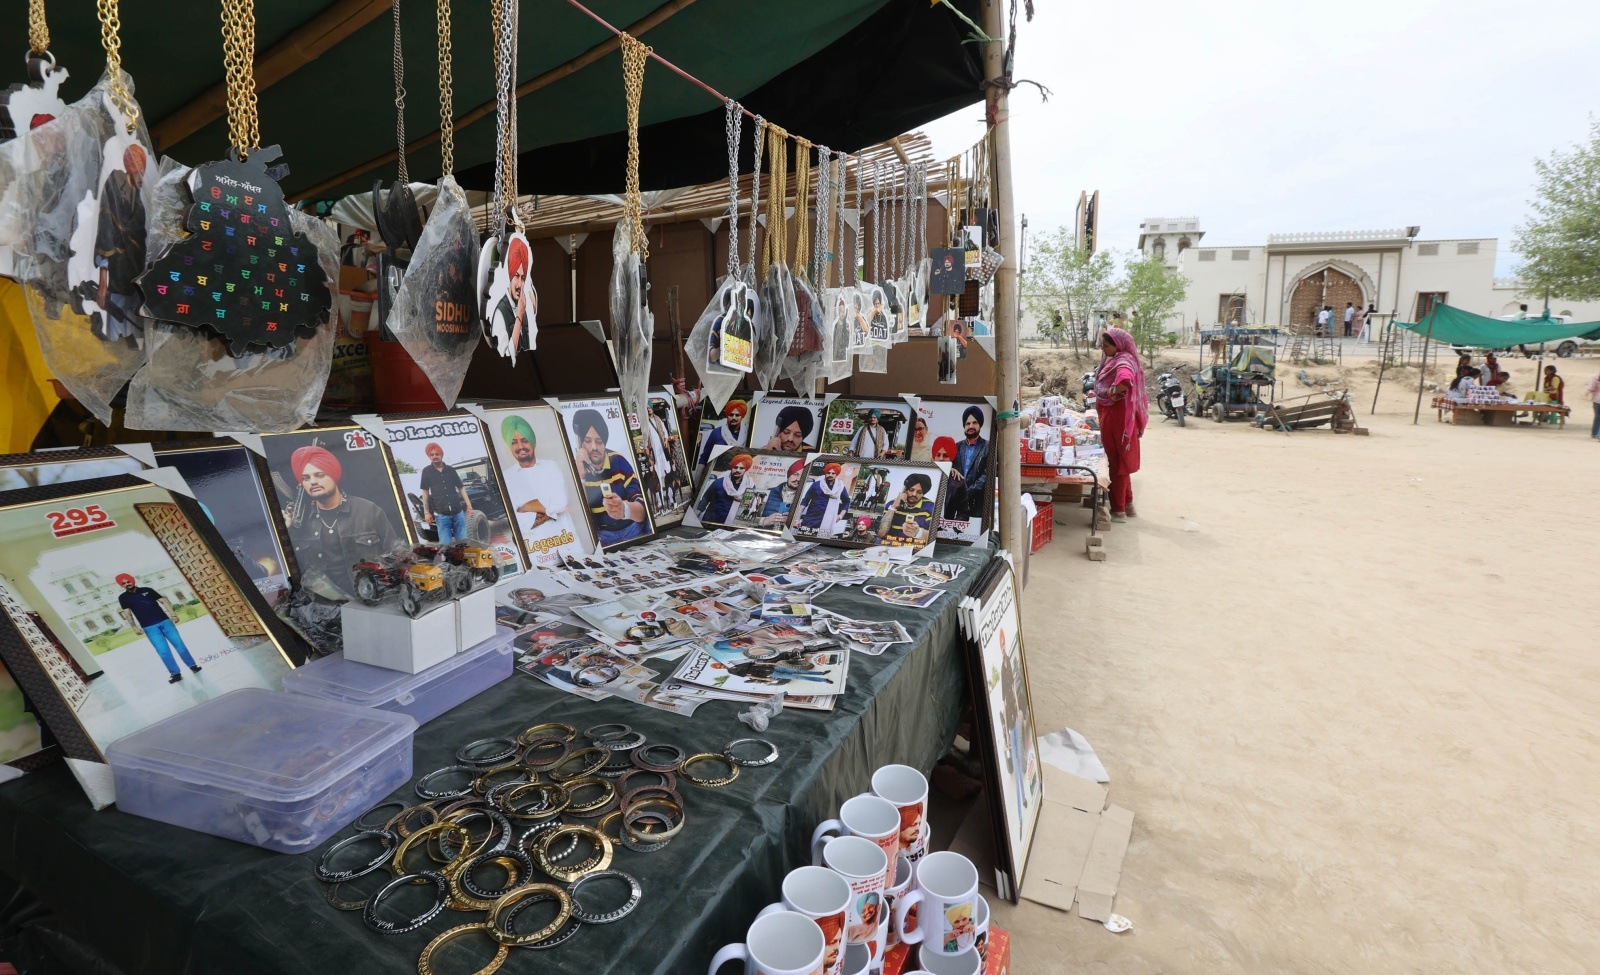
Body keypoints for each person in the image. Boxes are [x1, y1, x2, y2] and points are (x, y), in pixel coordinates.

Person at [283, 444, 402, 593]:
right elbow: (288, 571)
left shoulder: (368, 511)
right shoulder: (299, 521)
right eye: (306, 478)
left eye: (319, 475)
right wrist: (287, 531)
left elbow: (395, 557)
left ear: (333, 475)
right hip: (324, 603)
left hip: (370, 596)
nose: (312, 482)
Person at [497, 414, 577, 564]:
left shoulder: (551, 466)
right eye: (514, 442)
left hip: (565, 543)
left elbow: (561, 502)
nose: (520, 447)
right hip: (534, 551)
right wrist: (551, 512)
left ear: (532, 442)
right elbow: (515, 520)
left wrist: (527, 507)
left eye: (524, 440)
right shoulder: (506, 477)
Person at [570, 408, 650, 546]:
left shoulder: (618, 461)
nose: (594, 447)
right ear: (580, 443)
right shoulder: (575, 468)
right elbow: (577, 519)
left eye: (599, 441)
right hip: (601, 537)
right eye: (588, 441)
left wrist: (624, 510)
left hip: (632, 530)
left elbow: (643, 508)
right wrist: (580, 477)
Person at [93, 143, 148, 343]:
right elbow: (106, 235)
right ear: (131, 170)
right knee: (117, 326)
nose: (141, 178)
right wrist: (102, 285)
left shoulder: (138, 196)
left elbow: (140, 234)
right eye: (138, 173)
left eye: (142, 172)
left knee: (136, 327)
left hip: (137, 271)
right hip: (117, 271)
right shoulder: (115, 188)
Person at [1095, 326, 1147, 522]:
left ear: (1118, 345)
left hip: (1117, 418)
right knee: (1122, 461)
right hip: (1120, 418)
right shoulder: (1122, 359)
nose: (1103, 349)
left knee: (1116, 463)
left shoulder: (1123, 362)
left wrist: (1111, 392)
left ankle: (1118, 510)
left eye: (1106, 346)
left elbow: (1125, 380)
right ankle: (1129, 504)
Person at [116, 574, 202, 684]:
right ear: (121, 585)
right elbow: (127, 613)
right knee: (163, 652)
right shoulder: (123, 597)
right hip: (149, 628)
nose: (127, 584)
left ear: (132, 581)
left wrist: (173, 614)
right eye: (123, 583)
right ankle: (175, 674)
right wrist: (134, 627)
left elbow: (163, 601)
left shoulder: (147, 590)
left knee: (179, 645)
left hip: (165, 622)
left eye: (128, 581)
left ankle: (193, 666)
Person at [417, 442, 473, 544]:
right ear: (429, 456)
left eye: (437, 454)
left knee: (463, 543)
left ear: (441, 455)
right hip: (441, 515)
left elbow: (461, 488)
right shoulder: (426, 471)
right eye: (432, 455)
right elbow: (425, 492)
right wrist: (426, 512)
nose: (435, 457)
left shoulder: (451, 470)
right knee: (445, 546)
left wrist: (469, 506)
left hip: (458, 512)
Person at [488, 236, 534, 360]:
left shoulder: (522, 307)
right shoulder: (499, 313)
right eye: (516, 276)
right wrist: (519, 318)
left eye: (523, 278)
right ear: (508, 275)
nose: (519, 284)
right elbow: (506, 354)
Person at [947, 405, 989, 519]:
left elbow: (987, 474)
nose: (971, 426)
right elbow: (948, 467)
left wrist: (966, 493)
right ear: (964, 426)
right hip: (954, 504)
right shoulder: (956, 446)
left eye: (974, 423)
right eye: (967, 423)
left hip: (977, 504)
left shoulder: (988, 447)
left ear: (980, 425)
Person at [879, 473, 936, 547]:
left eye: (919, 492)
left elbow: (931, 537)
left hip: (914, 549)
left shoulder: (930, 507)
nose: (914, 494)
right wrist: (893, 508)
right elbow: (881, 533)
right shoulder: (891, 504)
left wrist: (918, 532)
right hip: (890, 547)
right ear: (905, 489)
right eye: (911, 490)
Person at [696, 453, 751, 525]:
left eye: (741, 468)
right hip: (711, 520)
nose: (737, 470)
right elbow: (706, 498)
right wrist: (696, 514)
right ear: (731, 468)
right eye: (735, 467)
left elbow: (747, 505)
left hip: (732, 524)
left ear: (745, 470)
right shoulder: (719, 482)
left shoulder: (749, 486)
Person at [797, 462, 850, 536]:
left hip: (828, 520)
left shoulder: (840, 487)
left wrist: (840, 516)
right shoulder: (816, 484)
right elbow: (805, 500)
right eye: (828, 473)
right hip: (811, 519)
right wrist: (797, 518)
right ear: (825, 473)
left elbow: (847, 501)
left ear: (836, 474)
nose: (830, 475)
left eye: (833, 473)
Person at [696, 401, 747, 467]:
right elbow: (705, 455)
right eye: (731, 415)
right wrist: (699, 474)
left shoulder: (747, 433)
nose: (734, 418)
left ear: (742, 416)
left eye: (737, 415)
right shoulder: (717, 432)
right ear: (727, 415)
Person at [761, 460, 804, 527]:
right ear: (789, 475)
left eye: (802, 476)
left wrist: (794, 522)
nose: (798, 479)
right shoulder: (769, 492)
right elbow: (749, 518)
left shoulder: (805, 498)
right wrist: (765, 521)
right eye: (795, 474)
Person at [1586, 370, 1600, 440]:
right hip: (1597, 401)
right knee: (1597, 417)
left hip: (1597, 400)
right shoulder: (1596, 378)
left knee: (1597, 417)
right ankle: (1595, 433)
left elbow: (1591, 388)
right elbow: (1591, 387)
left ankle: (1596, 434)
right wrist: (1588, 391)